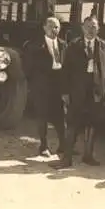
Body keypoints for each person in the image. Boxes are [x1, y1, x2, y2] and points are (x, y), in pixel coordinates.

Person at [50, 16, 105, 169]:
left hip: (96, 93)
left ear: (98, 29)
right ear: (82, 28)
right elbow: (64, 71)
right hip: (77, 92)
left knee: (92, 124)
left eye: (94, 27)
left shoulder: (104, 47)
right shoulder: (73, 46)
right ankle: (66, 158)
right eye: (88, 26)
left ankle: (88, 155)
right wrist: (65, 92)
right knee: (72, 124)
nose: (90, 30)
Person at [24, 16, 67, 156]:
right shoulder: (34, 46)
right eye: (51, 26)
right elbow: (28, 68)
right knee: (42, 116)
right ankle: (43, 146)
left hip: (58, 84)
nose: (54, 30)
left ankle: (63, 145)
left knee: (60, 116)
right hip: (41, 86)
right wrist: (34, 85)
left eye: (57, 27)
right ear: (44, 27)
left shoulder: (63, 45)